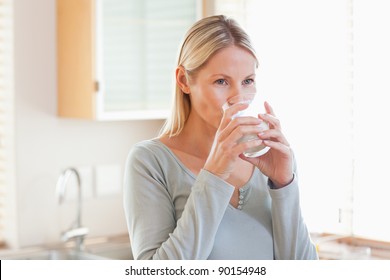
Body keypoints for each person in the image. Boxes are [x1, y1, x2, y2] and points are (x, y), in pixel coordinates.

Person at [123, 15, 318, 260]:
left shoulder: (270, 160)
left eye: (248, 81)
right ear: (184, 81)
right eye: (221, 81)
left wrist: (284, 186)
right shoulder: (150, 162)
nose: (240, 97)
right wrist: (214, 176)